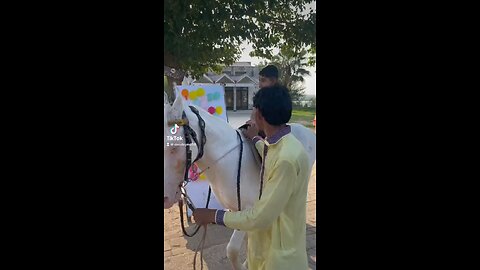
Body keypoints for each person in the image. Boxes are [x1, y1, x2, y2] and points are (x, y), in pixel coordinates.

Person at [193, 85, 311, 270]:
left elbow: (260, 217)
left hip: (280, 260)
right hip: (262, 251)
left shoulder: (287, 159)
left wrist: (213, 216)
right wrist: (255, 138)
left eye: (253, 109)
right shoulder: (279, 145)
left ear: (259, 116)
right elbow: (270, 155)